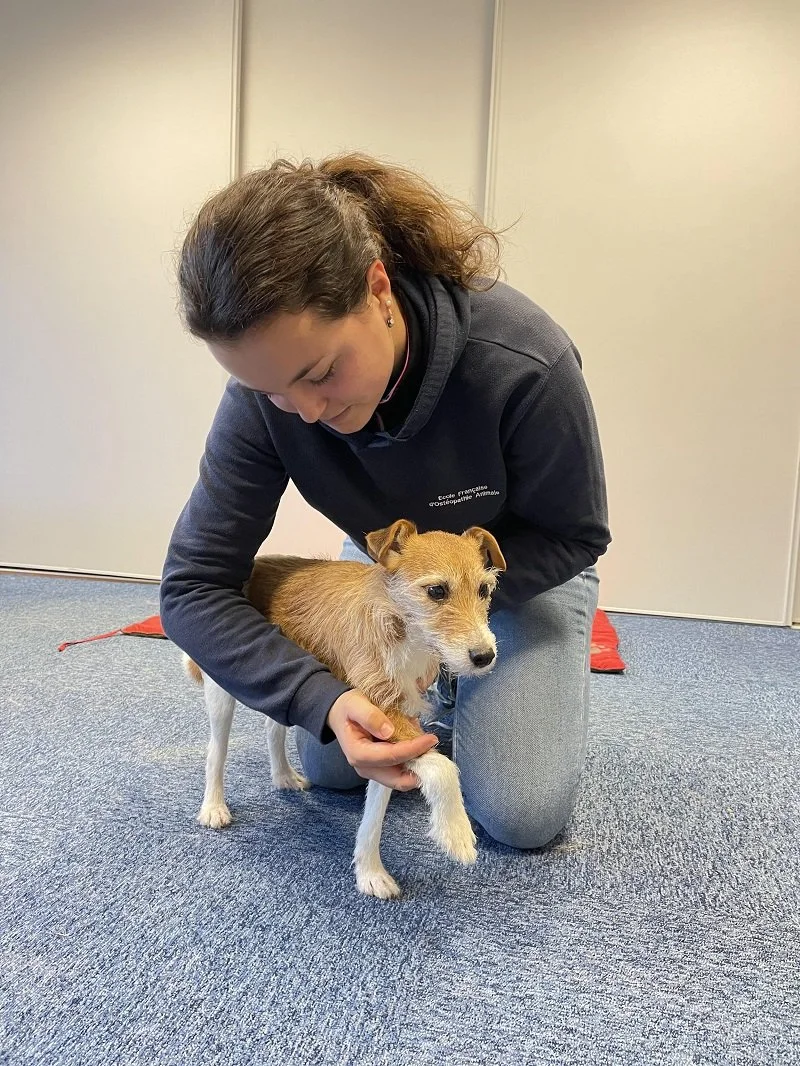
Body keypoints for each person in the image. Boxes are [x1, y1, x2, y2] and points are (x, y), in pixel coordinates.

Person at [160, 152, 610, 849]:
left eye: (322, 372)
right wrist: (324, 699)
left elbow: (576, 535)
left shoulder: (525, 362)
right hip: (388, 567)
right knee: (334, 765)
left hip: (514, 567)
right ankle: (429, 677)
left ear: (377, 290)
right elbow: (192, 587)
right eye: (273, 392)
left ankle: (458, 686)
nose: (303, 411)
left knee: (521, 815)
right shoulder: (266, 397)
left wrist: (454, 612)